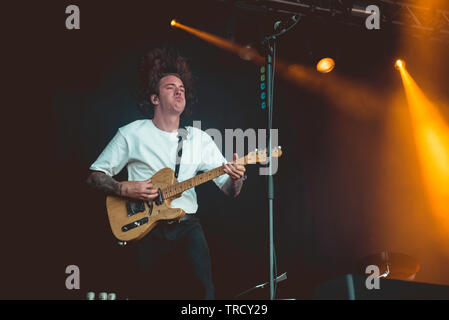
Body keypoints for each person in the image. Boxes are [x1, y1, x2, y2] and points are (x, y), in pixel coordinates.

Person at [86, 47, 246, 299]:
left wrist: (237, 179)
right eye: (170, 87)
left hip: (187, 225)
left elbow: (229, 190)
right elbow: (95, 175)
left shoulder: (198, 139)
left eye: (181, 87)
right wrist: (123, 188)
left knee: (203, 294)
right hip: (146, 229)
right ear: (155, 99)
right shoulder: (131, 133)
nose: (179, 90)